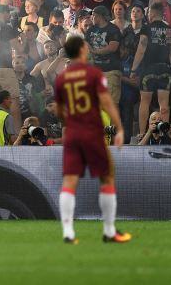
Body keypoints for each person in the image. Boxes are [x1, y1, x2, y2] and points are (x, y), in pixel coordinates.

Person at [55, 35, 130, 244]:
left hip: (72, 133)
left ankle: (68, 233)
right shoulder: (93, 74)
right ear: (81, 50)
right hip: (92, 132)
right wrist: (120, 128)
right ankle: (109, 231)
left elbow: (60, 111)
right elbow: (106, 102)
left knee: (69, 180)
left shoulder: (61, 78)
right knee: (106, 176)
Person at [131, 4, 171, 137]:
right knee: (164, 104)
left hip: (149, 69)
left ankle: (141, 133)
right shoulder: (170, 29)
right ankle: (165, 133)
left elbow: (142, 47)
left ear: (151, 13)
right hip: (164, 69)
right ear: (162, 14)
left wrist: (133, 69)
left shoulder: (147, 28)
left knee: (145, 101)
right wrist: (169, 66)